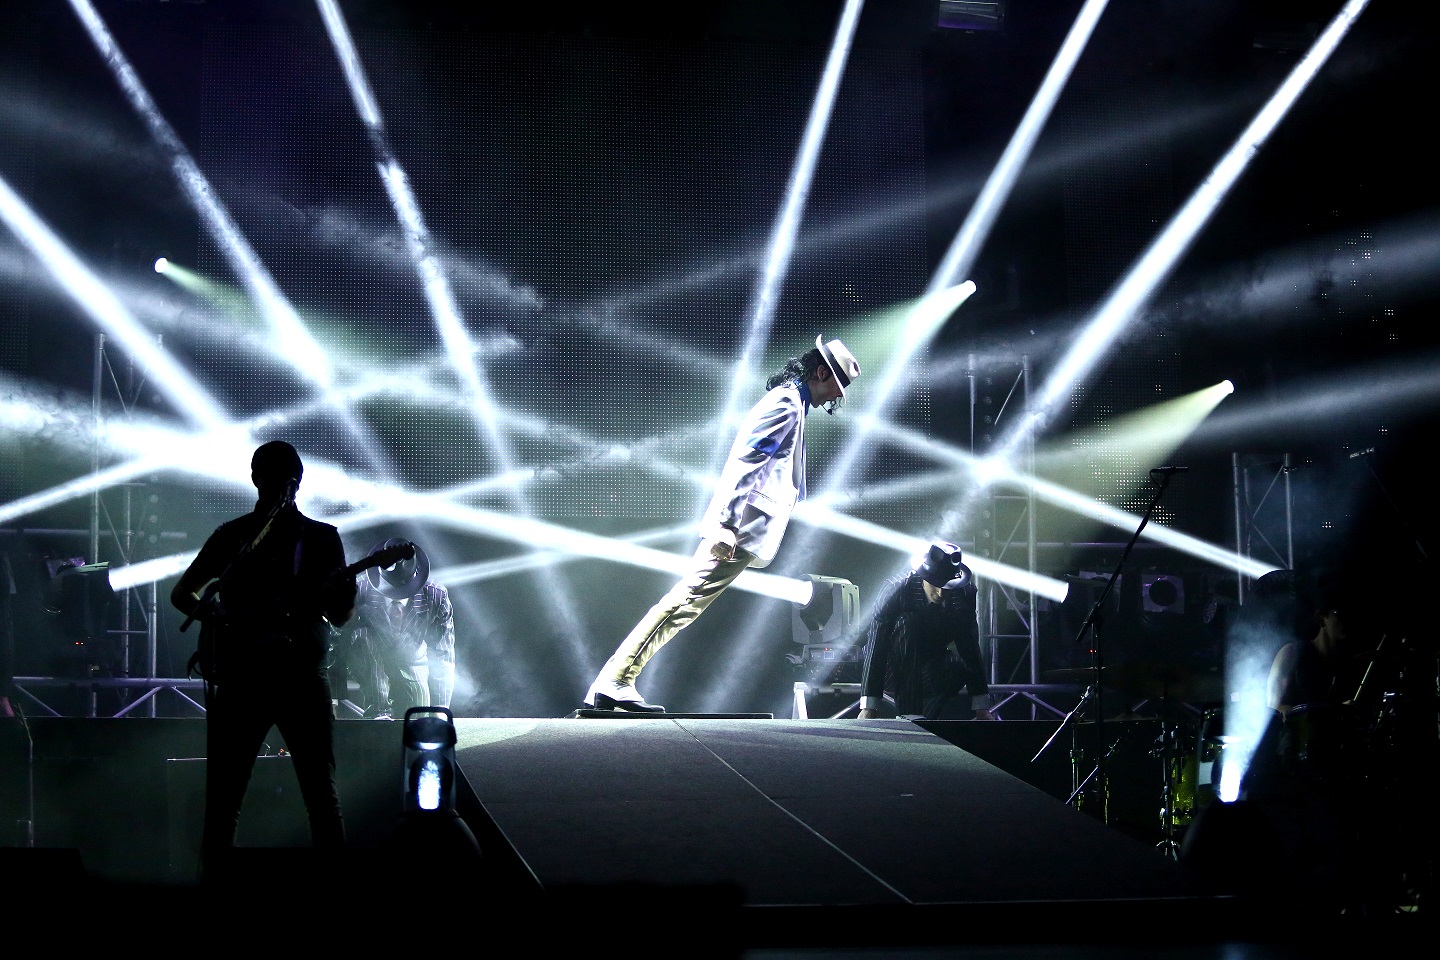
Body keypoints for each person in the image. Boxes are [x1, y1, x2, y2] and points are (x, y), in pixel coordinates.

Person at [583, 335, 861, 713]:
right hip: (740, 528)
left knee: (685, 603)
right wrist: (727, 524)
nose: (836, 396)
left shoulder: (792, 402)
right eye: (838, 386)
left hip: (743, 528)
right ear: (821, 373)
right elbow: (748, 461)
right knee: (684, 601)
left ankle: (613, 681)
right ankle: (615, 680)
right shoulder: (786, 403)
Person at [171, 440, 357, 880]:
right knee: (227, 797)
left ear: (293, 484)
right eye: (270, 478)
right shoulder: (233, 536)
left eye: (281, 480)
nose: (275, 486)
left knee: (319, 794)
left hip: (299, 678)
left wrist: (345, 589)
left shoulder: (321, 538)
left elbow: (340, 615)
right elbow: (184, 593)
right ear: (257, 479)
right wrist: (219, 618)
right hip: (244, 678)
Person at [857, 541, 997, 721]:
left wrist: (981, 707)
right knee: (909, 622)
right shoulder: (897, 589)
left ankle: (927, 719)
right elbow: (877, 644)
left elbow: (970, 647)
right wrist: (869, 705)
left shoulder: (964, 594)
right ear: (923, 576)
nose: (941, 593)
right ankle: (910, 716)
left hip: (931, 666)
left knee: (956, 667)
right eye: (936, 584)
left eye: (947, 585)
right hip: (892, 667)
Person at [343, 538, 456, 719]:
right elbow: (340, 637)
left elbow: (443, 653)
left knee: (418, 718)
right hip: (371, 660)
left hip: (414, 660)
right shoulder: (360, 590)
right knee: (361, 635)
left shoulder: (436, 595)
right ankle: (378, 711)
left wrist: (440, 708)